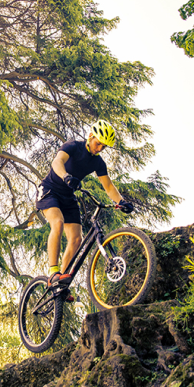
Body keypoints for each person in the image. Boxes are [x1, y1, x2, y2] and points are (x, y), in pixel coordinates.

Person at [36, 119, 134, 288]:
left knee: (76, 239)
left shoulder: (98, 162)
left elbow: (108, 186)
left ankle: (61, 282)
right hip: (50, 190)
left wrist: (122, 202)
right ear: (90, 136)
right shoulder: (73, 146)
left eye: (104, 147)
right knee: (58, 223)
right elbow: (57, 162)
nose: (100, 148)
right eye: (98, 143)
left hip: (68, 195)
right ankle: (53, 272)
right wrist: (66, 176)